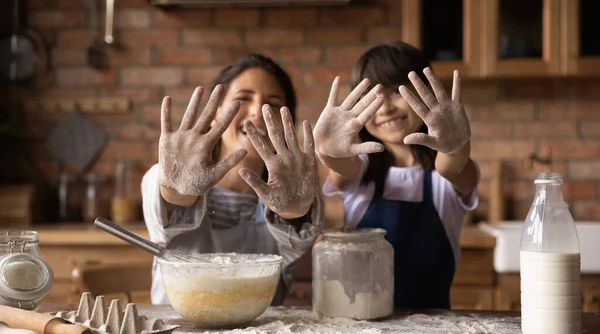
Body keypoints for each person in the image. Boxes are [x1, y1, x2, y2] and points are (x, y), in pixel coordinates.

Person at [141, 54, 327, 306]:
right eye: (242, 99)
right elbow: (170, 198)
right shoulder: (171, 181)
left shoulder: (296, 195)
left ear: (287, 123)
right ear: (216, 115)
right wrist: (174, 188)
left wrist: (294, 209)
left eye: (272, 104)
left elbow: (296, 223)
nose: (258, 111)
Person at [314, 41, 480, 309]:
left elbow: (453, 165)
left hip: (435, 326)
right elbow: (340, 169)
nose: (386, 108)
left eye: (395, 92)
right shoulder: (360, 169)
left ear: (425, 93)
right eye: (375, 98)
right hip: (361, 323)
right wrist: (327, 152)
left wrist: (457, 146)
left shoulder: (442, 177)